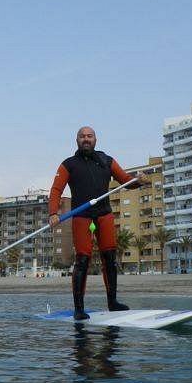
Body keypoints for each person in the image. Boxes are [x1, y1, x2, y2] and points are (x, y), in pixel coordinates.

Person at [49, 126, 149, 320]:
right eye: (82, 136)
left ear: (95, 139)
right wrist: (53, 212)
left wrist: (141, 181)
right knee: (83, 260)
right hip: (82, 216)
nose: (86, 139)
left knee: (109, 258)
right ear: (76, 140)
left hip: (104, 214)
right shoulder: (68, 165)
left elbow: (127, 181)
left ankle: (113, 303)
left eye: (89, 136)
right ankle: (79, 308)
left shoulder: (107, 161)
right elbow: (55, 190)